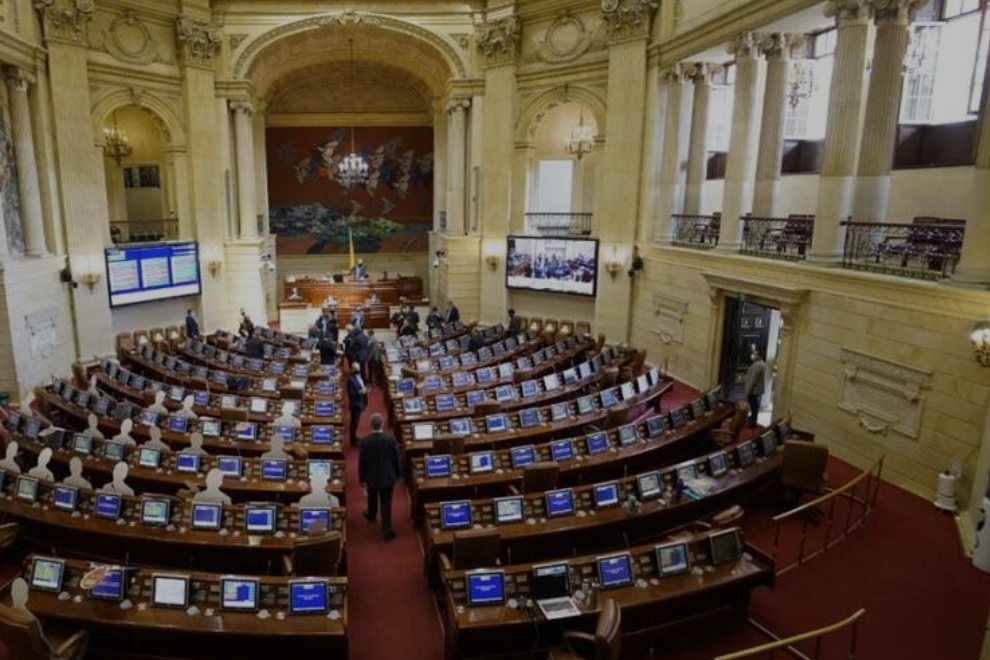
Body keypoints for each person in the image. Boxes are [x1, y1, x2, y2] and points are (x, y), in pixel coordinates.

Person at [358, 413, 400, 541]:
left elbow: (362, 462)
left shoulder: (365, 442)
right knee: (386, 504)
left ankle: (371, 514)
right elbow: (396, 459)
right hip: (388, 477)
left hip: (371, 477)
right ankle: (387, 531)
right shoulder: (391, 439)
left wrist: (362, 479)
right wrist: (398, 474)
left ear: (371, 425)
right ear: (382, 424)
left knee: (371, 497)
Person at [744, 349, 768, 427]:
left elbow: (753, 380)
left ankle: (752, 422)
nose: (752, 355)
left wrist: (748, 391)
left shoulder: (758, 365)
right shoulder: (761, 364)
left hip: (754, 391)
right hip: (758, 390)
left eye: (754, 354)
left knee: (754, 407)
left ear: (758, 355)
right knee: (755, 407)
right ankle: (752, 420)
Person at [347, 361, 368, 446]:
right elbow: (351, 394)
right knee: (354, 423)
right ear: (353, 369)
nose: (358, 369)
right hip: (355, 404)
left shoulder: (359, 376)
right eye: (356, 368)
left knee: (356, 421)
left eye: (358, 368)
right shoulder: (350, 380)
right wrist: (360, 391)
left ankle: (355, 437)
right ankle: (352, 440)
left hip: (361, 402)